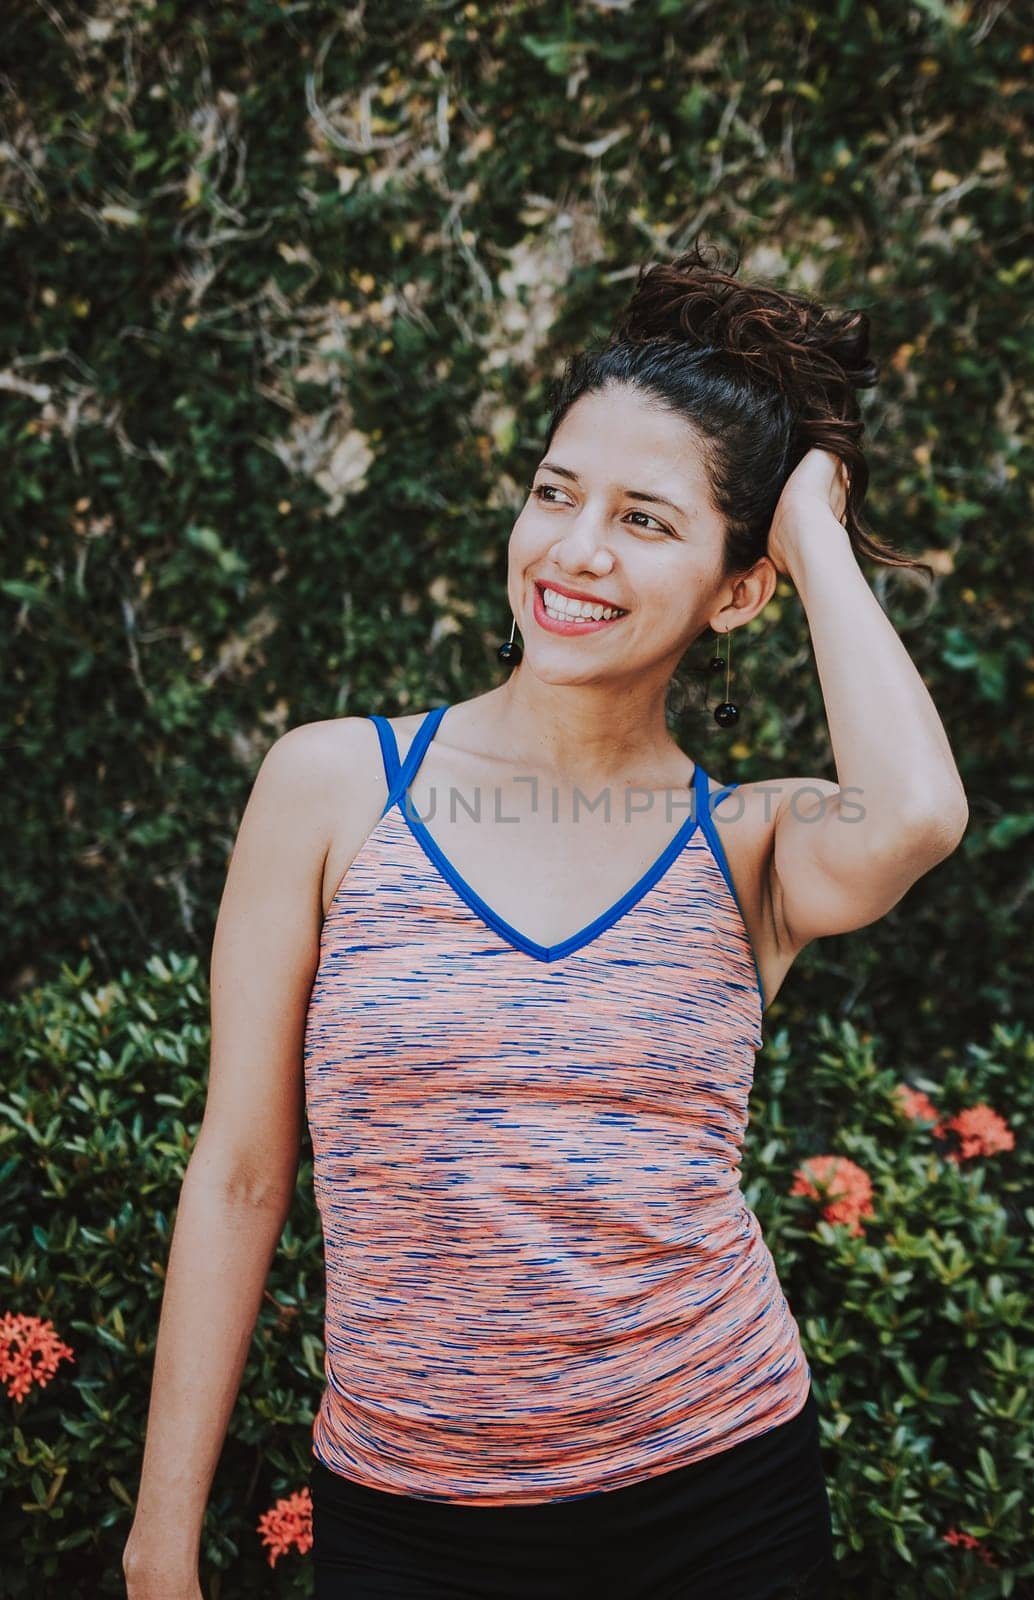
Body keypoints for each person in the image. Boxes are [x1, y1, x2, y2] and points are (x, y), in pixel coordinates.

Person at [123, 240, 969, 1600]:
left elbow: (920, 813)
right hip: (410, 1518)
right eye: (554, 495)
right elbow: (238, 1172)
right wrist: (162, 1536)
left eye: (647, 520)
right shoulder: (336, 786)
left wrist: (809, 524)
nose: (575, 551)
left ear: (739, 589)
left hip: (719, 1494)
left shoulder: (752, 845)